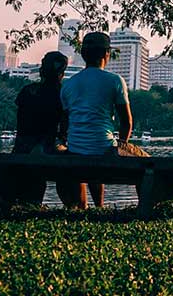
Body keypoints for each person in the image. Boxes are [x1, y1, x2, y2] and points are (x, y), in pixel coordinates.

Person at [59, 32, 149, 208]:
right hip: (104, 148)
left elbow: (65, 123)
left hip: (76, 148)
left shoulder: (69, 84)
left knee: (92, 152)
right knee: (146, 161)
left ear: (83, 55)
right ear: (107, 53)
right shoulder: (114, 81)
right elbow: (126, 122)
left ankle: (93, 207)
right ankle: (107, 207)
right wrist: (122, 145)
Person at [6, 51, 70, 206]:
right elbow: (64, 126)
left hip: (22, 145)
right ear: (62, 73)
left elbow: (21, 120)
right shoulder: (62, 94)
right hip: (45, 146)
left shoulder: (28, 91)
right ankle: (75, 204)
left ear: (41, 70)